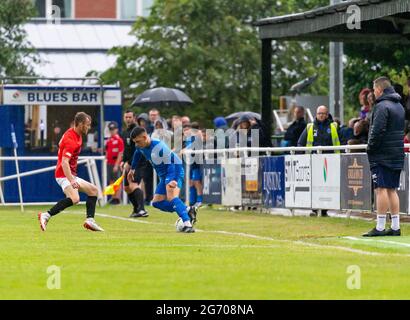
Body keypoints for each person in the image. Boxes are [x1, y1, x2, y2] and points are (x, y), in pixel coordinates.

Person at [38, 112, 104, 232]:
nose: (89, 128)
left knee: (93, 191)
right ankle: (46, 215)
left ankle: (90, 221)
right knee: (75, 198)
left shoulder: (73, 133)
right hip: (64, 174)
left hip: (69, 173)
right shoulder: (71, 140)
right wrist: (71, 180)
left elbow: (60, 144)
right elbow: (64, 162)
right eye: (87, 125)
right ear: (80, 124)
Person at [129, 127, 198, 233]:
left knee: (171, 197)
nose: (137, 144)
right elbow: (137, 153)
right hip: (164, 176)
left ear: (144, 137)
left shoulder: (158, 147)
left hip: (174, 171)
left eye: (138, 141)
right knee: (156, 203)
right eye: (135, 142)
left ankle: (187, 224)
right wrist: (132, 168)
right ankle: (187, 209)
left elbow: (177, 162)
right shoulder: (140, 146)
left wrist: (174, 179)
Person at [363, 77, 405, 237]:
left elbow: (377, 130)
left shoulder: (381, 106)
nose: (373, 93)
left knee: (380, 189)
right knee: (391, 190)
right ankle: (395, 226)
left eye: (374, 90)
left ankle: (380, 227)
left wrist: (370, 148)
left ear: (379, 89)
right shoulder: (399, 106)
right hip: (396, 153)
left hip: (382, 153)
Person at [298, 105, 340, 217]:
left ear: (327, 115)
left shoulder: (333, 126)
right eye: (319, 113)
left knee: (327, 185)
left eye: (323, 113)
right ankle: (315, 208)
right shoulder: (310, 127)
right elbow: (300, 143)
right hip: (313, 161)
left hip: (330, 161)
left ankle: (325, 209)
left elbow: (340, 141)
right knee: (315, 185)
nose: (321, 115)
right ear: (316, 114)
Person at [120, 110, 147, 218]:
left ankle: (142, 209)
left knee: (134, 185)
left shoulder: (137, 131)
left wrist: (130, 163)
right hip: (128, 163)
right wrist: (123, 161)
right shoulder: (125, 132)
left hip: (139, 162)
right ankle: (136, 209)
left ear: (134, 118)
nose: (128, 119)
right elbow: (127, 149)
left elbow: (139, 149)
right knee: (126, 188)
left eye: (130, 117)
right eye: (126, 117)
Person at [182, 123, 203, 208]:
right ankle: (191, 201)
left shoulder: (195, 137)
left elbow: (194, 145)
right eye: (184, 130)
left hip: (196, 161)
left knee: (196, 181)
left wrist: (185, 149)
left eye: (187, 130)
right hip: (189, 162)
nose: (186, 132)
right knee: (191, 182)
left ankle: (199, 200)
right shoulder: (186, 139)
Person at [105, 121, 124, 204]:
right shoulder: (109, 140)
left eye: (113, 129)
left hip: (115, 162)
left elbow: (120, 153)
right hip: (109, 162)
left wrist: (117, 164)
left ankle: (117, 198)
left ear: (116, 130)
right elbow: (107, 151)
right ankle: (113, 197)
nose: (112, 131)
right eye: (111, 129)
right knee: (111, 180)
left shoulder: (119, 140)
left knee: (117, 181)